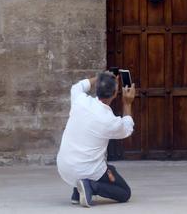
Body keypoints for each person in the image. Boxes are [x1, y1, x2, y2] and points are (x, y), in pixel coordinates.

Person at [57, 71, 135, 207]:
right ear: (115, 94)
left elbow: (77, 86)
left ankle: (77, 191)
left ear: (97, 88)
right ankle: (90, 186)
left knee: (109, 168)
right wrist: (127, 103)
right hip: (86, 170)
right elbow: (127, 128)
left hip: (64, 167)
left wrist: (100, 77)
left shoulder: (80, 100)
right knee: (124, 193)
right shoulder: (109, 121)